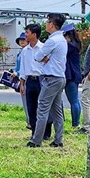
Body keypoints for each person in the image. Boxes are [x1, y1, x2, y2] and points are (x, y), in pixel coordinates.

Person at [30, 13, 68, 148]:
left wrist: (43, 57)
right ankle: (58, 140)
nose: (46, 24)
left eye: (47, 21)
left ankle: (36, 141)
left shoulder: (52, 41)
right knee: (57, 110)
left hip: (51, 78)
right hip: (59, 77)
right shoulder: (62, 39)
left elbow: (38, 56)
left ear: (52, 24)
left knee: (42, 109)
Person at [22, 24, 44, 134]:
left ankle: (46, 132)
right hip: (30, 80)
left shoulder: (43, 48)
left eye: (27, 32)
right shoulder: (25, 51)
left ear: (34, 34)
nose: (25, 35)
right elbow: (23, 68)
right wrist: (22, 84)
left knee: (43, 107)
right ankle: (34, 132)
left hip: (41, 80)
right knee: (31, 107)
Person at [62, 24, 83, 130]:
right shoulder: (77, 44)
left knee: (73, 100)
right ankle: (76, 123)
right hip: (74, 74)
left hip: (69, 75)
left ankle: (75, 123)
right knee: (75, 100)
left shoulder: (68, 46)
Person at [14, 32, 32, 128]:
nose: (22, 41)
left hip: (26, 78)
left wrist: (17, 73)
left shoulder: (27, 51)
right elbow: (17, 67)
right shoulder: (21, 52)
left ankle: (30, 121)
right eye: (20, 40)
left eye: (24, 40)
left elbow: (24, 67)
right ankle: (29, 120)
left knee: (28, 101)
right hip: (21, 77)